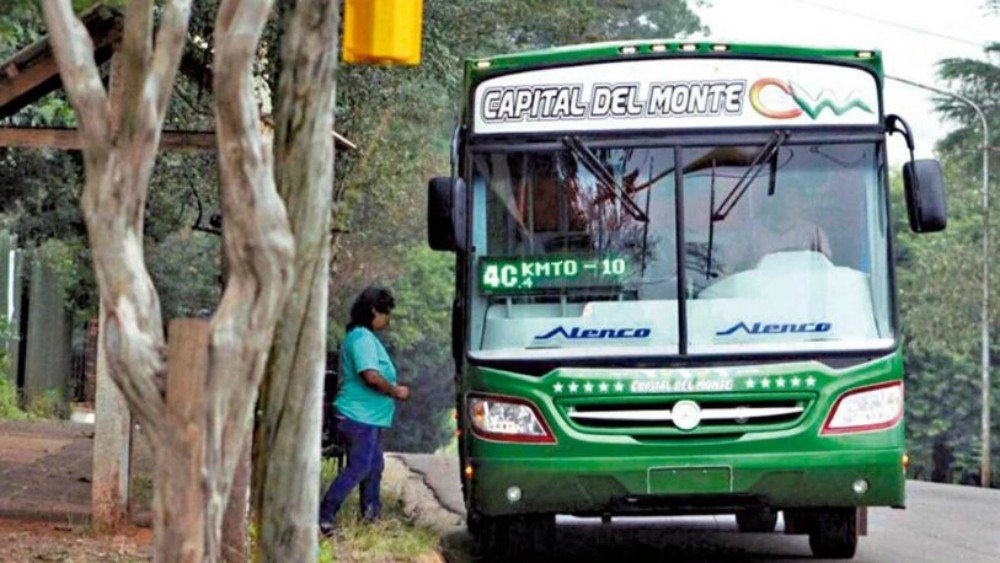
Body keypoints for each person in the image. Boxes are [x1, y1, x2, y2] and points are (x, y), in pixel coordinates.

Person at [319, 286, 409, 536]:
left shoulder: (365, 338)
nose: (387, 319)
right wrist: (394, 391)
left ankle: (371, 517)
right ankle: (324, 516)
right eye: (385, 313)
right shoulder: (360, 338)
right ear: (373, 311)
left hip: (368, 417)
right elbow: (369, 375)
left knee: (374, 466)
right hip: (357, 416)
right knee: (359, 467)